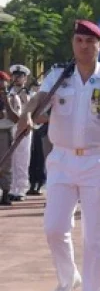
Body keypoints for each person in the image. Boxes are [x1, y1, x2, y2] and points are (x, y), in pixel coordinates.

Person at [16, 19, 100, 291]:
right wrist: (27, 116)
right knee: (54, 227)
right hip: (62, 159)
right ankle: (68, 277)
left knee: (96, 233)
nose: (84, 46)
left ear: (99, 45)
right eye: (79, 40)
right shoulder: (58, 75)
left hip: (98, 161)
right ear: (73, 43)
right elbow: (38, 101)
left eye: (90, 42)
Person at [9, 64, 32, 201]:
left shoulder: (29, 93)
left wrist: (25, 98)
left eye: (20, 76)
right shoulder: (7, 91)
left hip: (23, 127)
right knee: (10, 159)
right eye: (15, 76)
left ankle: (21, 188)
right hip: (9, 127)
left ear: (25, 78)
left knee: (22, 158)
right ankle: (11, 187)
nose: (17, 78)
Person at [0, 70, 21, 206]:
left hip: (5, 133)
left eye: (4, 87)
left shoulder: (13, 98)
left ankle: (6, 193)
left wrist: (6, 103)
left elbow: (16, 118)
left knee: (5, 165)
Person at [27, 78, 47, 195]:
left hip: (43, 129)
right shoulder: (32, 98)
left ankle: (39, 182)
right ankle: (32, 182)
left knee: (41, 157)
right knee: (32, 157)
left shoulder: (48, 99)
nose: (37, 88)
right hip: (32, 129)